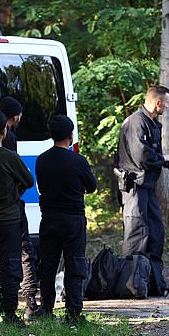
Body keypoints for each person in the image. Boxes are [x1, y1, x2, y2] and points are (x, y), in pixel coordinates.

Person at [0, 96, 41, 320]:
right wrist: (15, 192)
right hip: (8, 217)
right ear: (4, 130)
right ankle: (9, 312)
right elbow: (28, 180)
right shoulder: (10, 156)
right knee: (11, 263)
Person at [116, 84, 169, 296]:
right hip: (135, 188)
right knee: (137, 233)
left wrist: (166, 163)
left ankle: (151, 283)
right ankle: (131, 286)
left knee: (155, 232)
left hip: (148, 187)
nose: (167, 107)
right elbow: (142, 156)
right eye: (166, 103)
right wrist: (164, 160)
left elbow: (152, 154)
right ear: (158, 102)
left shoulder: (152, 123)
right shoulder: (135, 123)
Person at [35, 115, 97, 323]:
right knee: (74, 263)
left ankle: (46, 308)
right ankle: (73, 311)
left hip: (49, 217)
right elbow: (92, 186)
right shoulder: (78, 161)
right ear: (71, 135)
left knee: (48, 264)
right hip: (73, 219)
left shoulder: (42, 160)